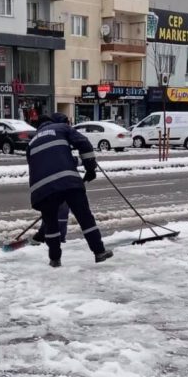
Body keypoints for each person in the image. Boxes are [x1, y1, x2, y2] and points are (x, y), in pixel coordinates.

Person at [26, 112, 112, 267]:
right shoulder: (61, 128)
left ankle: (54, 260)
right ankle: (99, 252)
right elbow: (84, 143)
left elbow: (45, 162)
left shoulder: (31, 142)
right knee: (84, 217)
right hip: (68, 182)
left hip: (42, 189)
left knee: (51, 224)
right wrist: (90, 167)